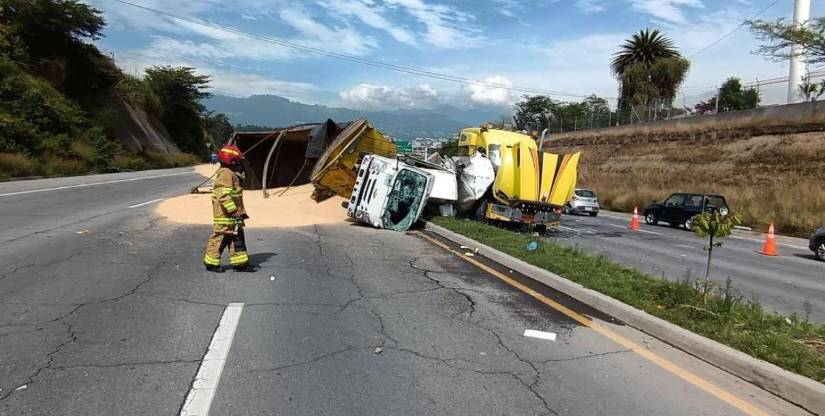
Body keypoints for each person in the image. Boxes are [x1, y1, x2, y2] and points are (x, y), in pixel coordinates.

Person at [203, 145, 252, 272]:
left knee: (237, 237)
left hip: (234, 215)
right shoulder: (225, 173)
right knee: (221, 237)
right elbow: (223, 195)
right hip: (225, 215)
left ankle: (240, 264)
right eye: (238, 160)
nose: (240, 163)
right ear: (232, 161)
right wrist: (233, 210)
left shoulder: (232, 173)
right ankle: (211, 263)